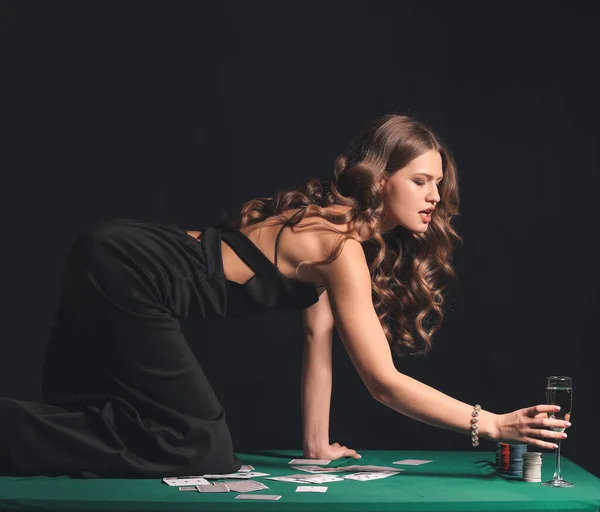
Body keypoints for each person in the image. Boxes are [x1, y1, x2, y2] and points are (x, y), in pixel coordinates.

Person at [0, 114, 569, 479]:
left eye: (439, 184)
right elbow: (382, 382)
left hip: (113, 257)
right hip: (132, 268)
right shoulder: (340, 246)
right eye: (421, 180)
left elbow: (317, 336)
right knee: (199, 446)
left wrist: (316, 445)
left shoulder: (335, 241)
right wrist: (491, 423)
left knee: (120, 422)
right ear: (380, 179)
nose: (434, 196)